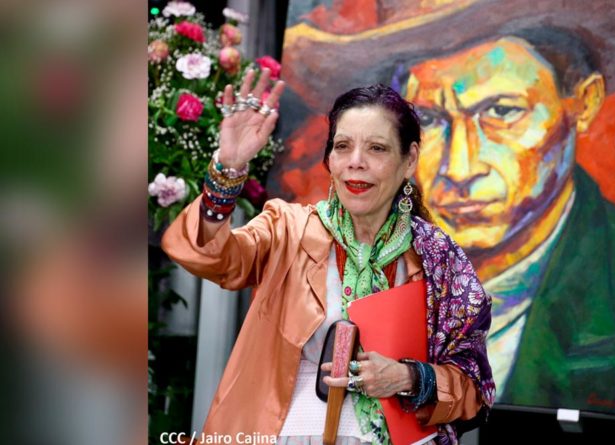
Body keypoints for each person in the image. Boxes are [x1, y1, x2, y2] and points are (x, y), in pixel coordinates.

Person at [161, 71, 495, 444]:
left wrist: (409, 377)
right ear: (329, 159)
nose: (356, 162)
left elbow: (474, 388)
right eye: (342, 146)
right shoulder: (289, 228)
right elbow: (211, 255)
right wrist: (227, 169)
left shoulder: (438, 259)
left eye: (377, 148)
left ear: (409, 159)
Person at [395, 28, 615, 413]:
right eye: (429, 118)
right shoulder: (382, 258)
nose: (461, 169)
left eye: (501, 111)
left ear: (583, 102)